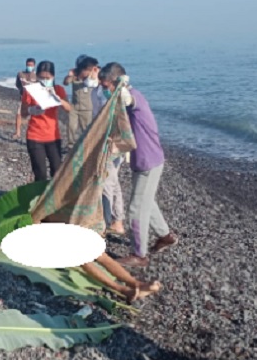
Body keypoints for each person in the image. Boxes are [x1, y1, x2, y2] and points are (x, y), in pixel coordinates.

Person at [98, 63, 176, 268]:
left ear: (118, 83)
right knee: (147, 202)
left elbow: (129, 99)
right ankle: (166, 236)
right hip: (144, 160)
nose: (104, 90)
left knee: (135, 209)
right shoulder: (123, 104)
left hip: (148, 161)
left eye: (106, 86)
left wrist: (122, 88)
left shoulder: (134, 98)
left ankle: (139, 255)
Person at [20, 61, 71, 181]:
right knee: (40, 173)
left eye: (47, 77)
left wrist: (59, 100)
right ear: (37, 76)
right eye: (42, 77)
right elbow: (23, 113)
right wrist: (31, 110)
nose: (44, 80)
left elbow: (69, 108)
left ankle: (53, 197)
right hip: (35, 136)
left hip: (53, 136)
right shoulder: (30, 90)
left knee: (57, 171)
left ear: (53, 76)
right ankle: (39, 198)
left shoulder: (58, 89)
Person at [91, 69, 125, 236]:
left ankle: (105, 225)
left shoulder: (121, 97)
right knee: (113, 183)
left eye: (106, 85)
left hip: (114, 145)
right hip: (107, 142)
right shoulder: (103, 93)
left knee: (107, 185)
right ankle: (117, 221)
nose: (104, 88)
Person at [64, 55, 98, 148]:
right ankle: (71, 146)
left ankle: (87, 146)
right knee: (71, 127)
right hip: (74, 106)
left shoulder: (92, 76)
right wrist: (69, 75)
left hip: (87, 107)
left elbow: (96, 84)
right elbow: (66, 82)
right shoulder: (75, 75)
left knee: (86, 129)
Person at [13, 57, 38, 139]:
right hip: (22, 98)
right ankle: (17, 132)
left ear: (34, 65)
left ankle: (34, 133)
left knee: (34, 116)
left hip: (33, 99)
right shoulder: (20, 74)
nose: (29, 66)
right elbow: (17, 85)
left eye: (31, 65)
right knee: (18, 114)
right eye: (28, 65)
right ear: (26, 65)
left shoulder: (37, 75)